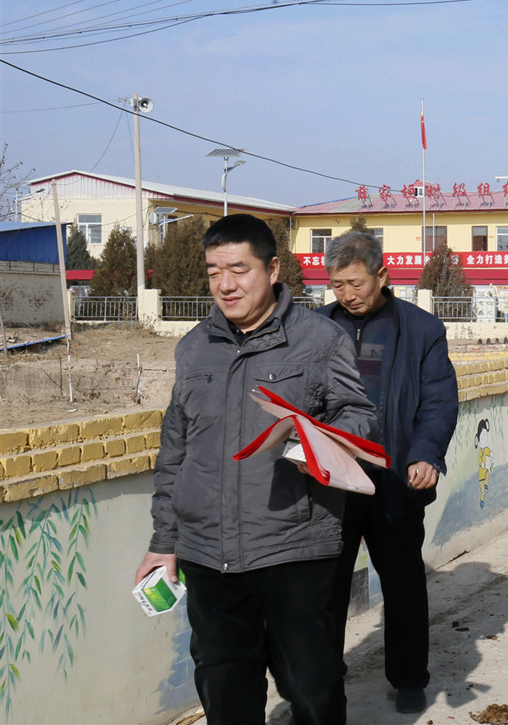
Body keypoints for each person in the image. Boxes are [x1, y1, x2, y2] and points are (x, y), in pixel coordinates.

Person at [135, 214, 376, 725]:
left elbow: (360, 418)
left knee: (311, 690)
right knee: (225, 690)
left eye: (239, 269)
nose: (225, 284)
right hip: (208, 556)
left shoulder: (319, 340)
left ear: (272, 269)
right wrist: (164, 541)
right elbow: (175, 451)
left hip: (293, 548)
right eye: (213, 271)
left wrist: (313, 439)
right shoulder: (194, 346)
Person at [320, 231, 458, 715]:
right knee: (325, 593)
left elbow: (438, 401)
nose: (347, 294)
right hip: (331, 485)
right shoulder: (316, 328)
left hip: (394, 481)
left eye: (355, 283)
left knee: (402, 584)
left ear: (382, 275)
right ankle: (320, 682)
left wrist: (426, 454)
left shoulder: (420, 329)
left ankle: (409, 678)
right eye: (337, 285)